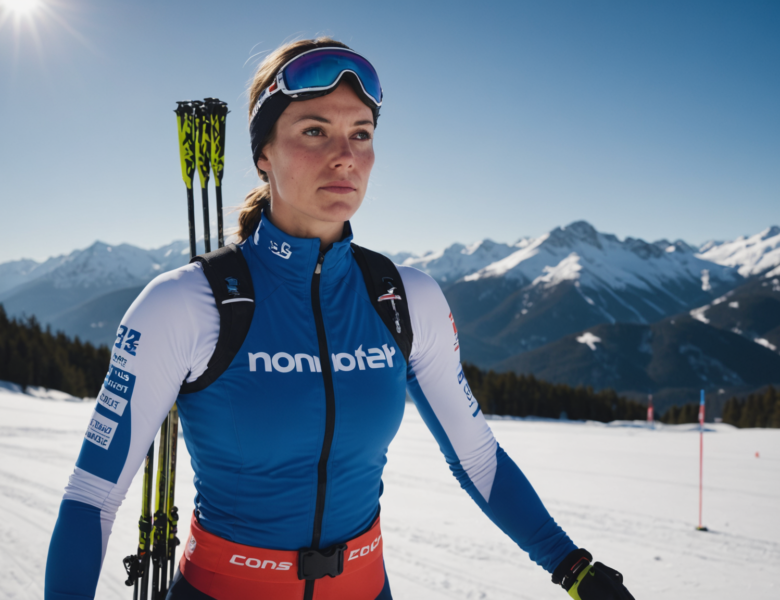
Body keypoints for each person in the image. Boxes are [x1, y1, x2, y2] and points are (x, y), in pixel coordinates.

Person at [44, 38, 635, 600]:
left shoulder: (403, 299)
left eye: (361, 133)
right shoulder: (187, 303)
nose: (345, 156)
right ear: (263, 154)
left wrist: (571, 565)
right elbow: (93, 496)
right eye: (314, 131)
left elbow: (477, 457)